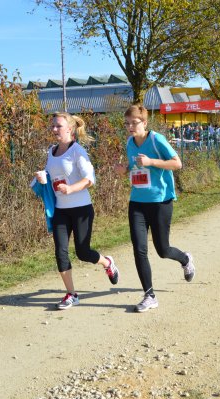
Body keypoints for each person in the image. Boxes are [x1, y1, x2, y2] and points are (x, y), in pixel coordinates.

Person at [35, 112, 119, 310]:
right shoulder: (51, 151)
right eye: (53, 126)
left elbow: (90, 179)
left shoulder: (77, 151)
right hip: (60, 210)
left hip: (81, 209)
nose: (54, 129)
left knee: (83, 252)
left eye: (58, 126)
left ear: (70, 129)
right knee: (60, 252)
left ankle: (107, 263)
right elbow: (53, 175)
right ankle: (71, 294)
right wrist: (43, 178)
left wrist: (71, 188)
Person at [115, 104, 195, 313]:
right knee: (139, 249)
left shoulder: (156, 140)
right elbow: (135, 166)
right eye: (127, 123)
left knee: (163, 250)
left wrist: (151, 161)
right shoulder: (130, 143)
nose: (130, 127)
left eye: (134, 123)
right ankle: (149, 295)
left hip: (160, 202)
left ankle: (185, 259)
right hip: (137, 202)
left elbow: (177, 163)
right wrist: (125, 169)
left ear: (144, 122)